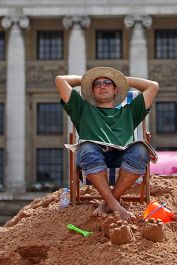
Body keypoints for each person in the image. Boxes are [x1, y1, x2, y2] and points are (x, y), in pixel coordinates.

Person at [55, 67, 159, 221]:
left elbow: (153, 86)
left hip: (124, 158)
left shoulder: (130, 111)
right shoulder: (82, 109)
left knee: (141, 148)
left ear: (116, 89)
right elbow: (60, 80)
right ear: (92, 91)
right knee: (86, 147)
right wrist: (86, 79)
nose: (102, 86)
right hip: (93, 157)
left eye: (107, 83)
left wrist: (121, 79)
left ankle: (107, 204)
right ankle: (116, 206)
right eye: (97, 84)